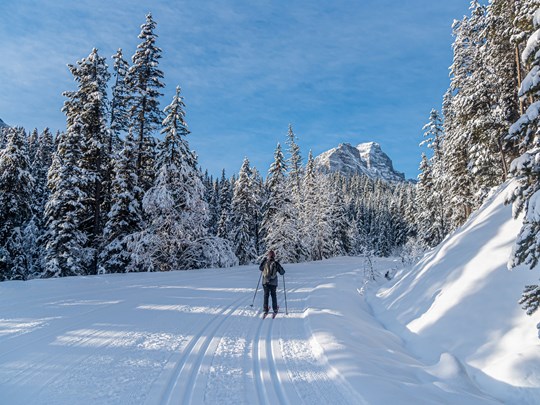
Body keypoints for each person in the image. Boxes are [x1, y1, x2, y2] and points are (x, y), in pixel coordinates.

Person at [259, 250, 285, 316]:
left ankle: (265, 309)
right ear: (274, 256)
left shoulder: (265, 262)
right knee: (273, 295)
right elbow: (282, 272)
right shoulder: (276, 263)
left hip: (265, 282)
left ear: (268, 255)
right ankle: (275, 309)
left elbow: (260, 268)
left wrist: (263, 261)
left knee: (266, 295)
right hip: (273, 283)